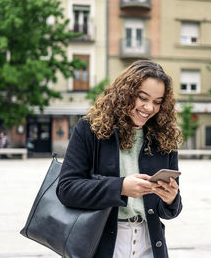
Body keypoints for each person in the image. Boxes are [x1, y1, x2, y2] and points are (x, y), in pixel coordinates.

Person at [57, 60, 183, 258]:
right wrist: (121, 187)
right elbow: (66, 189)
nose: (149, 108)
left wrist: (171, 199)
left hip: (149, 244)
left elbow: (170, 212)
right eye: (142, 98)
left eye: (158, 102)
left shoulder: (164, 137)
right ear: (125, 92)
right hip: (101, 243)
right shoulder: (90, 129)